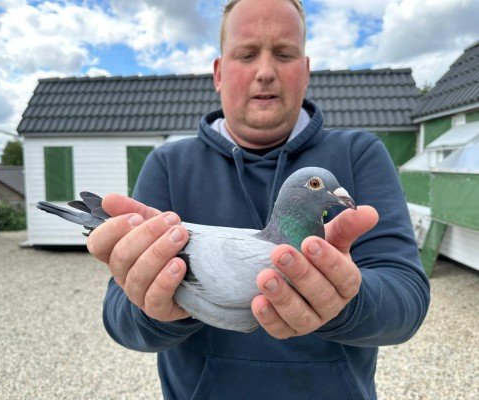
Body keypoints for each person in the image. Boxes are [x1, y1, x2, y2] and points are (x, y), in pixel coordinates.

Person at [87, 0, 430, 398]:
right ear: (218, 72)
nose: (265, 72)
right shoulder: (168, 163)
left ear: (305, 71)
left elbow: (407, 301)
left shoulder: (359, 154)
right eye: (246, 54)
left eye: (284, 54)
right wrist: (160, 307)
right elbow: (120, 320)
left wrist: (345, 301)